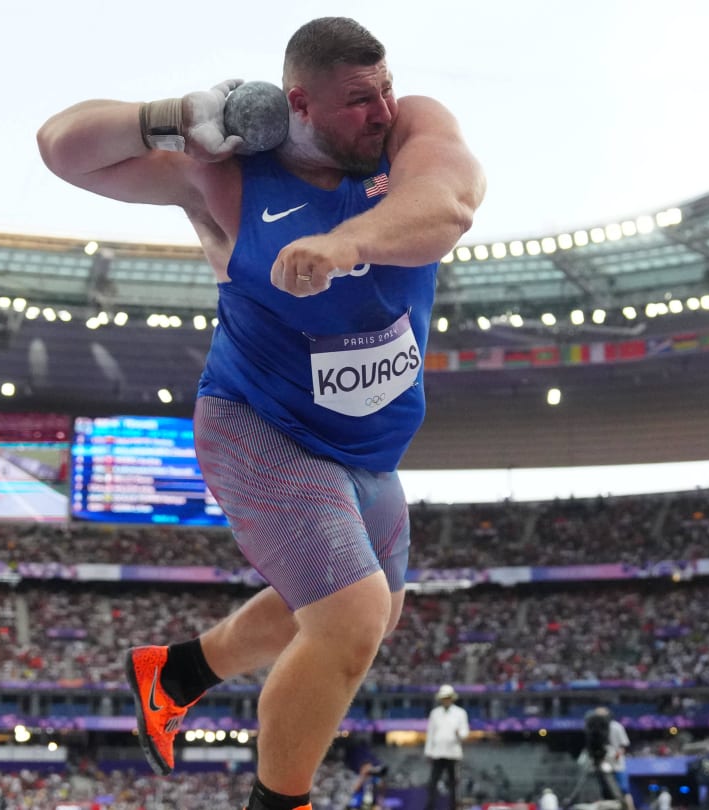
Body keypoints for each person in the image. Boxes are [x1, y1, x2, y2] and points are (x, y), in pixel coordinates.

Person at [38, 16, 484, 810]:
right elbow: (61, 146)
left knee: (371, 620)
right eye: (358, 101)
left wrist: (347, 244)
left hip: (369, 449)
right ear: (298, 104)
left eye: (384, 89)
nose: (381, 112)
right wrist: (173, 115)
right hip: (261, 425)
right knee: (348, 625)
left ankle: (178, 672)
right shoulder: (227, 176)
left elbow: (448, 205)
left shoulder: (412, 127)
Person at [425, 684, 471, 809]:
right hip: (438, 753)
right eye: (443, 698)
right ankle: (430, 806)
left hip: (453, 753)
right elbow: (431, 733)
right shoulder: (435, 713)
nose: (445, 700)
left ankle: (453, 807)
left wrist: (459, 734)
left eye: (447, 697)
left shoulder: (460, 713)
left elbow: (465, 732)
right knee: (433, 782)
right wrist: (428, 752)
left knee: (453, 783)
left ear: (452, 698)